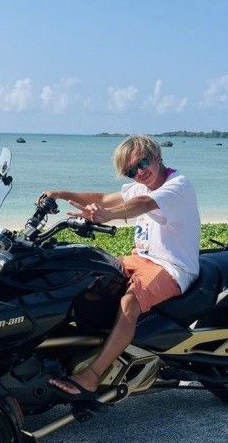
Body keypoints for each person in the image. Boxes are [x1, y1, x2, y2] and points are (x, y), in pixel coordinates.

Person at [45, 134, 201, 401]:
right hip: (141, 259)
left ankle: (91, 377)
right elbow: (105, 198)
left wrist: (110, 215)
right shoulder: (140, 186)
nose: (139, 173)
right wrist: (63, 194)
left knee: (130, 302)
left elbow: (141, 205)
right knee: (89, 275)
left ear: (157, 155)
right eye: (131, 171)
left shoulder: (178, 186)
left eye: (143, 163)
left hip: (173, 266)